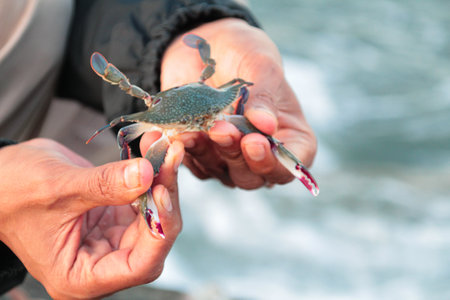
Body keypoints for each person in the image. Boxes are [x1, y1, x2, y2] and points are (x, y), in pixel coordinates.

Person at [0, 0, 317, 298]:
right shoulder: (151, 120)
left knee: (262, 136)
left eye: (204, 118)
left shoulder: (214, 97)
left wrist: (185, 27)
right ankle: (140, 203)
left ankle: (298, 171)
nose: (200, 123)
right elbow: (126, 132)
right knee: (137, 161)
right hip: (42, 162)